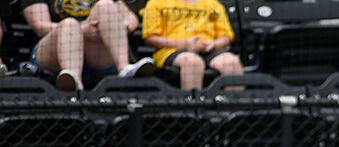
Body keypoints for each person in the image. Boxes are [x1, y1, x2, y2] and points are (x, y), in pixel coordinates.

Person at [21, 0, 154, 92]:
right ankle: (72, 80)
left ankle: (124, 69)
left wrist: (113, 26)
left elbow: (131, 19)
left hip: (96, 50)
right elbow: (40, 26)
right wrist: (83, 29)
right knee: (70, 24)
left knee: (106, 5)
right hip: (54, 49)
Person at [139, 0, 238, 91]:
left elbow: (226, 37)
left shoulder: (213, 4)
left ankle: (233, 108)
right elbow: (150, 38)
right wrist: (184, 44)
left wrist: (214, 44)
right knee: (192, 62)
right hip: (171, 49)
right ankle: (193, 107)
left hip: (208, 49)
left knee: (231, 62)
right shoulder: (156, 3)